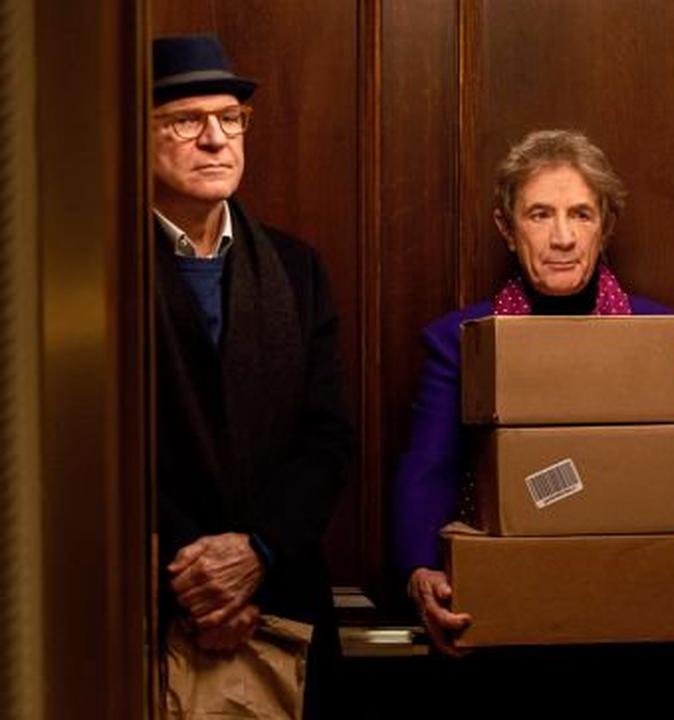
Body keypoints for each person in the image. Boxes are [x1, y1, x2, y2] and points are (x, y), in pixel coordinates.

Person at [392, 129, 674, 655]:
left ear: (605, 227)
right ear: (506, 228)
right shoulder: (460, 340)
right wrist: (421, 570)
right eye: (539, 215)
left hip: (649, 618)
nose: (562, 237)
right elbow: (429, 468)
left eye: (581, 215)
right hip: (517, 620)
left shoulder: (669, 336)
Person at [151, 35, 354, 717]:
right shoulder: (91, 272)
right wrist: (197, 581)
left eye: (230, 118)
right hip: (146, 601)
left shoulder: (295, 269)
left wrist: (256, 554)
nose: (215, 138)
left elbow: (328, 436)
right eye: (186, 120)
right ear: (135, 138)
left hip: (283, 593)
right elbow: (86, 451)